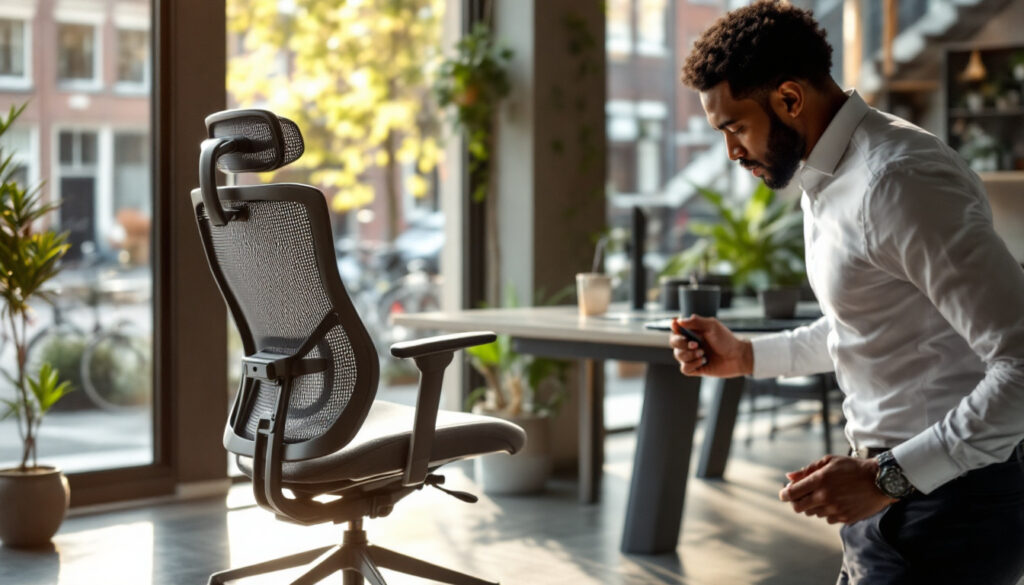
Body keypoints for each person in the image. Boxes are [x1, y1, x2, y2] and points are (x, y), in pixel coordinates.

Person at [672, 2, 1024, 584]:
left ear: (789, 99)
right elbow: (864, 323)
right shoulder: (826, 174)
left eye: (734, 127)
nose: (731, 152)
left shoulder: (897, 179)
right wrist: (745, 355)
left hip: (951, 507)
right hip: (896, 494)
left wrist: (886, 478)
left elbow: (1020, 362)